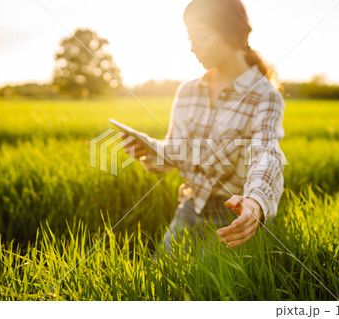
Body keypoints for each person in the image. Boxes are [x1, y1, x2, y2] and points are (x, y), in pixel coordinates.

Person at [122, 0, 286, 257]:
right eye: (189, 38)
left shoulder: (265, 95)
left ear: (230, 32)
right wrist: (149, 149)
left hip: (235, 218)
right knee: (159, 285)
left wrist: (255, 201)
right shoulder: (187, 91)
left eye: (200, 37)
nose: (192, 47)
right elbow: (177, 152)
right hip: (189, 211)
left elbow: (266, 153)